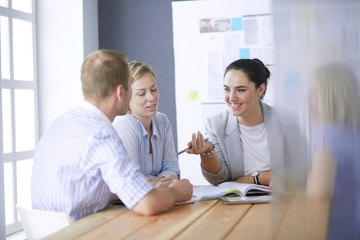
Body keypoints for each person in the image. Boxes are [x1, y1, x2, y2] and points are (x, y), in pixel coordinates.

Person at [31, 49, 192, 221]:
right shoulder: (101, 134)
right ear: (121, 92)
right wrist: (175, 192)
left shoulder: (59, 123)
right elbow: (146, 203)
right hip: (77, 233)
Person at [185, 58, 306, 187]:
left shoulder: (285, 121)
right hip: (238, 202)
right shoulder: (216, 125)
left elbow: (301, 172)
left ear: (260, 90)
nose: (231, 97)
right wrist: (207, 153)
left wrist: (255, 178)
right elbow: (219, 180)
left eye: (240, 90)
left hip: (281, 200)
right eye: (227, 89)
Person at [306, 62, 360, 239]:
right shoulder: (354, 131)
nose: (307, 100)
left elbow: (318, 196)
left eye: (313, 93)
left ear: (330, 96)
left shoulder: (327, 136)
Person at [113, 61, 179, 184]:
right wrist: (163, 181)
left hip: (156, 197)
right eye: (141, 94)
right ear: (126, 97)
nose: (151, 97)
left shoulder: (162, 121)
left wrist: (155, 181)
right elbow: (132, 182)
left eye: (153, 89)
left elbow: (172, 168)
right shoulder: (124, 125)